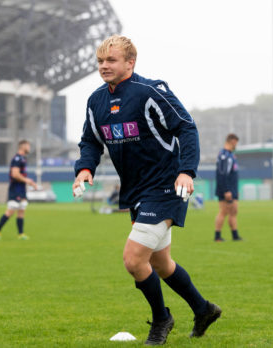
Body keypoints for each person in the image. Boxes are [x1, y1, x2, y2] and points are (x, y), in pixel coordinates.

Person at [72, 35, 221, 345]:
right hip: (136, 192)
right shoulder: (96, 100)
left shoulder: (150, 91)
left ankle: (161, 319)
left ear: (130, 62)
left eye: (111, 60)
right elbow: (90, 141)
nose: (104, 66)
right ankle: (203, 309)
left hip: (166, 186)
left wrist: (186, 171)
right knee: (160, 263)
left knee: (133, 259)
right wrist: (85, 168)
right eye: (100, 61)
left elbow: (186, 127)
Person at [0, 140, 37, 240]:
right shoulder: (17, 159)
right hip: (15, 188)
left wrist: (30, 183)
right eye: (28, 146)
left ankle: (20, 234)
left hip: (21, 188)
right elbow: (14, 174)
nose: (29, 148)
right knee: (11, 210)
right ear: (23, 146)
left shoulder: (23, 159)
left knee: (22, 209)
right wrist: (28, 180)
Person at [214, 133, 243, 242]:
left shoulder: (231, 155)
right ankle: (217, 236)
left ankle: (235, 235)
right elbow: (222, 174)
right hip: (226, 190)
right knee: (223, 211)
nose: (236, 145)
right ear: (232, 141)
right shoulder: (224, 156)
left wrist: (235, 190)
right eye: (236, 143)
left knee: (234, 211)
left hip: (232, 189)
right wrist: (226, 190)